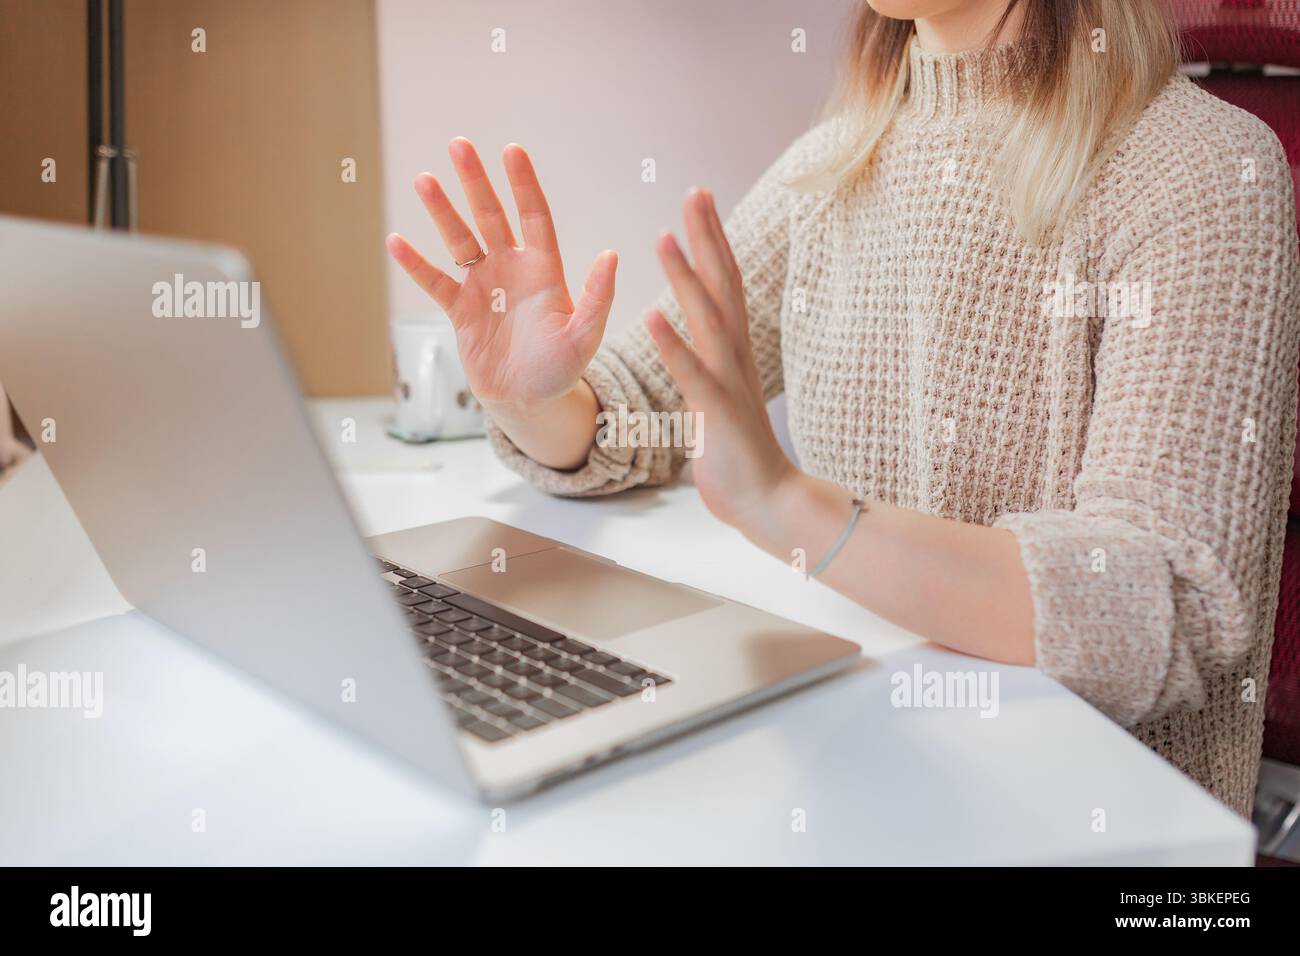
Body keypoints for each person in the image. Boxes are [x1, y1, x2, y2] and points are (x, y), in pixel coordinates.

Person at [385, 0, 1300, 817]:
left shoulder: (1206, 170)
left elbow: (1159, 603)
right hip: (861, 767)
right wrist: (535, 396)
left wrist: (792, 508)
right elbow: (628, 415)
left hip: (1086, 823)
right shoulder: (831, 165)